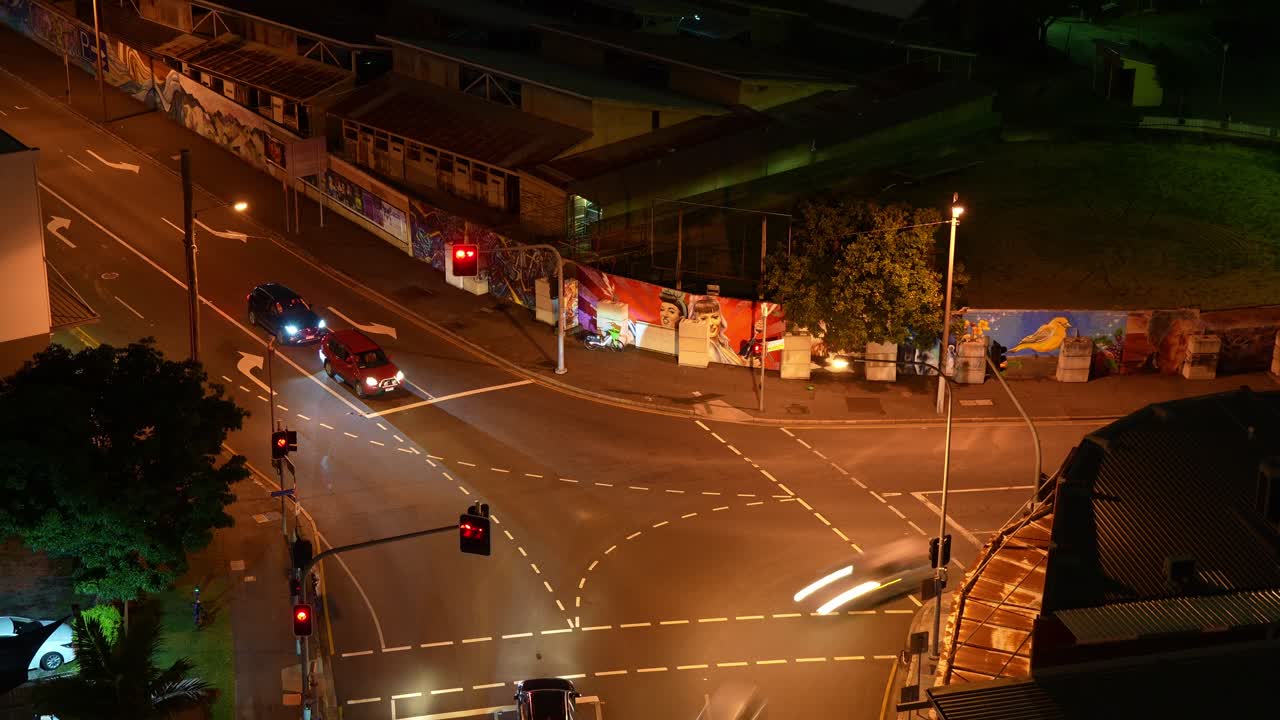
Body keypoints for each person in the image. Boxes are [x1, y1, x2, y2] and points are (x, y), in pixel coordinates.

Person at [689, 295, 746, 366]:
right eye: (703, 319)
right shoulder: (707, 347)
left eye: (715, 317)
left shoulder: (722, 343)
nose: (710, 323)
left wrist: (744, 362)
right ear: (695, 321)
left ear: (720, 319)